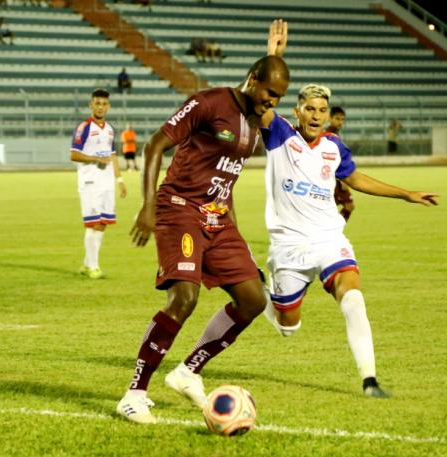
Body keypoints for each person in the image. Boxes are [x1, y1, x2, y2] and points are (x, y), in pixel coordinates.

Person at [116, 20, 290, 425]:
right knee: (184, 299)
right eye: (269, 94)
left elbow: (228, 176)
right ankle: (134, 394)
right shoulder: (209, 103)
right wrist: (148, 206)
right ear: (252, 80)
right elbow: (155, 145)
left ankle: (187, 371)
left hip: (219, 217)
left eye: (278, 98)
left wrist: (274, 58)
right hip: (180, 209)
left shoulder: (256, 118)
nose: (272, 103)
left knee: (253, 299)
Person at [260, 83, 439, 398]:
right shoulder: (279, 134)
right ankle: (262, 291)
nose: (316, 116)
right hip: (289, 245)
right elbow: (257, 99)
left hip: (329, 238)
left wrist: (405, 194)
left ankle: (370, 381)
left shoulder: (334, 146)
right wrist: (273, 62)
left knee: (353, 299)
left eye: (322, 110)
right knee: (288, 327)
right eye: (310, 109)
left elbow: (355, 178)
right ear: (297, 111)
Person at [70, 89, 127, 279]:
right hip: (90, 181)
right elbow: (74, 154)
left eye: (104, 104)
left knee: (103, 223)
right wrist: (95, 159)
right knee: (93, 223)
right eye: (97, 103)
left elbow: (113, 156)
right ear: (91, 105)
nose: (100, 107)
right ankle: (93, 267)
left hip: (107, 182)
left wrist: (120, 180)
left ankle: (87, 264)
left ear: (108, 106)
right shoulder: (84, 127)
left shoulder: (110, 129)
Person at [325, 106, 354, 220]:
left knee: (348, 206)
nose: (340, 122)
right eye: (337, 119)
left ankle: (331, 228)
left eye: (342, 119)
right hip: (333, 178)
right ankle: (333, 229)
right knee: (348, 206)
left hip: (334, 177)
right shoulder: (328, 136)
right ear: (330, 118)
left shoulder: (335, 135)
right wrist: (342, 179)